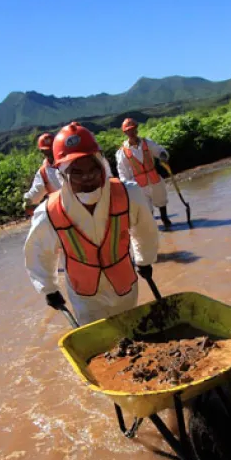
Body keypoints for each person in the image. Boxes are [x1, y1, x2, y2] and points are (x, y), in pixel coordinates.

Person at [24, 122, 159, 325]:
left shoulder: (128, 194)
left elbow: (145, 230)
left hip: (124, 285)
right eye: (77, 173)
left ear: (101, 165)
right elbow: (39, 252)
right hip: (85, 296)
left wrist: (144, 260)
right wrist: (48, 289)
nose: (87, 178)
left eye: (92, 169)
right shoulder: (49, 213)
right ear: (62, 175)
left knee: (133, 332)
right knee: (101, 345)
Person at [115, 118, 172, 229]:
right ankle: (153, 228)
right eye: (129, 130)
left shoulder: (147, 143)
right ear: (125, 133)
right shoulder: (122, 152)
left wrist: (163, 155)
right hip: (139, 184)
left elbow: (159, 150)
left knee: (161, 200)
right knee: (146, 208)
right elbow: (122, 170)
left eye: (133, 129)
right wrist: (126, 185)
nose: (132, 132)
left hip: (154, 178)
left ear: (136, 129)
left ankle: (165, 220)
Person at [23, 133, 62, 215]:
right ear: (42, 151)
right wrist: (28, 200)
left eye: (51, 149)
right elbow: (36, 191)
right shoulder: (43, 172)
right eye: (46, 151)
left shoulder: (69, 162)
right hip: (64, 211)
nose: (50, 152)